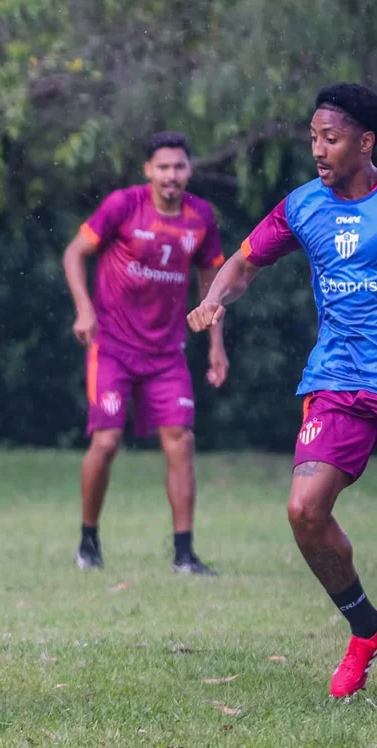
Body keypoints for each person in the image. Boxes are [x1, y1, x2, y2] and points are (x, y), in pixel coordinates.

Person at [188, 82, 377, 698]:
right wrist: (214, 299)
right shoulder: (303, 206)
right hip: (341, 379)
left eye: (333, 138)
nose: (319, 150)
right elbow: (242, 263)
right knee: (304, 512)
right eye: (314, 137)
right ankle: (365, 629)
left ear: (366, 142)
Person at [62, 131, 229, 574]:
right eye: (163, 167)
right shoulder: (123, 205)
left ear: (189, 170)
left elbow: (212, 283)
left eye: (179, 166)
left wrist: (216, 344)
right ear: (148, 170)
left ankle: (184, 555)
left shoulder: (201, 218)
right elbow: (74, 253)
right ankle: (88, 542)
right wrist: (84, 309)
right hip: (112, 347)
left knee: (182, 441)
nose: (171, 175)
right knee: (107, 441)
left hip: (166, 353)